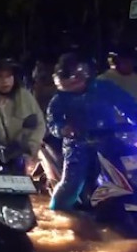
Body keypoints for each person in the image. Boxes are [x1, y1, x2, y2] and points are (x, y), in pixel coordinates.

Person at [47, 53, 137, 211]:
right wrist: (63, 129)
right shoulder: (60, 98)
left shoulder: (104, 88)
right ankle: (58, 211)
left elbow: (129, 107)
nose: (73, 86)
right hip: (77, 145)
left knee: (126, 175)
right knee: (71, 185)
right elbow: (53, 121)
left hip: (109, 141)